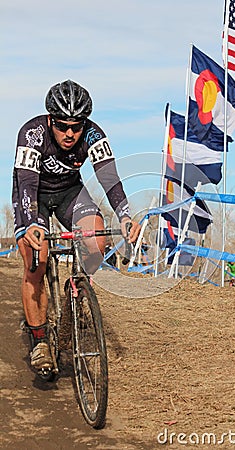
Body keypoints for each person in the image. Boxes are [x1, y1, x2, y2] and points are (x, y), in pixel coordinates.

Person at [12, 80, 140, 371]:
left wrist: (124, 214)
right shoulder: (31, 134)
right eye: (61, 126)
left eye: (76, 126)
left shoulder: (94, 135)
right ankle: (40, 340)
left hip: (70, 192)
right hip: (34, 196)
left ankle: (77, 293)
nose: (69, 133)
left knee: (97, 241)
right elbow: (28, 183)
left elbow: (108, 177)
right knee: (37, 261)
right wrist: (33, 223)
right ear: (49, 120)